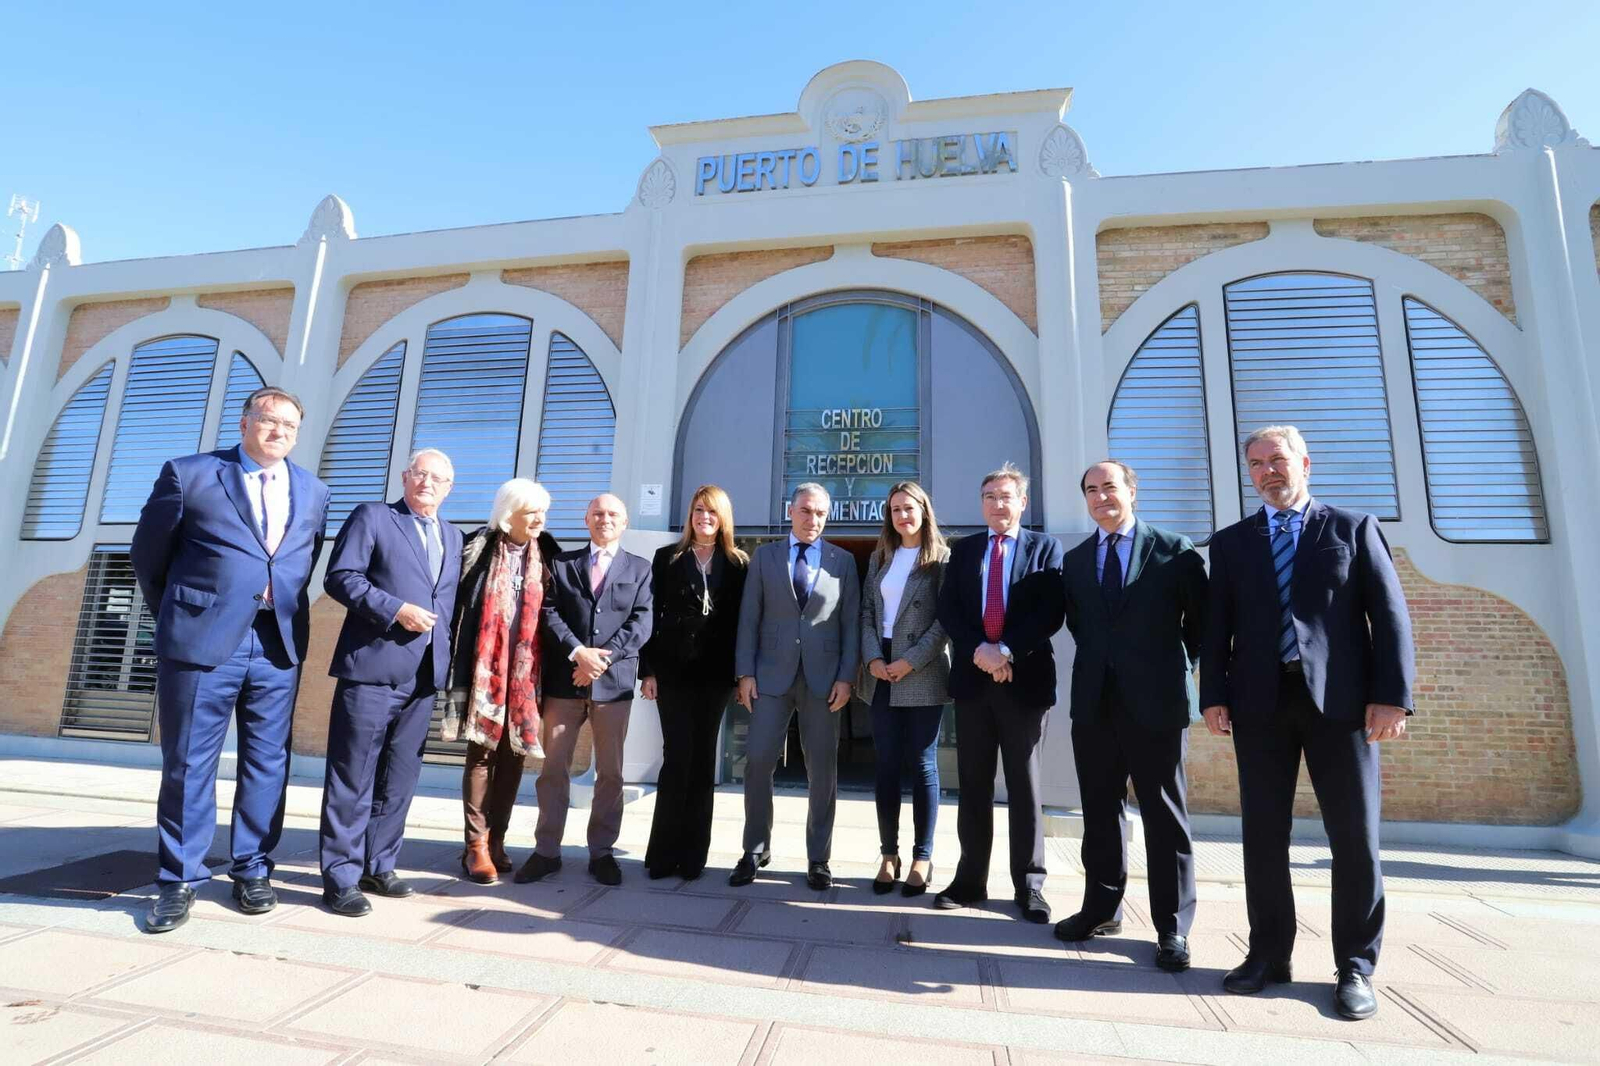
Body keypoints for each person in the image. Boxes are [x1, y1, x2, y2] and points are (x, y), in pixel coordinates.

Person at [1200, 425, 1415, 1021]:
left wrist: (1392, 697)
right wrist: (1212, 695)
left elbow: (1389, 615)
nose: (1267, 471)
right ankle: (1269, 954)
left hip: (1342, 706)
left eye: (1278, 459)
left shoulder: (1351, 528)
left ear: (1305, 463)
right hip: (1259, 705)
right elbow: (1218, 628)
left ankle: (1356, 966)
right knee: (1263, 835)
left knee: (1355, 837)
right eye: (1256, 464)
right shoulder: (1231, 543)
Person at [131, 387, 330, 933]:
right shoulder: (189, 474)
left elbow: (300, 562)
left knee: (268, 762)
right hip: (201, 642)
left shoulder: (314, 490)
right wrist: (181, 614)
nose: (279, 432)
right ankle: (179, 878)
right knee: (189, 762)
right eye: (269, 420)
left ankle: (253, 868)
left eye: (290, 425)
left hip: (276, 643)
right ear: (244, 423)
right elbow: (148, 556)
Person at [1054, 461, 1208, 972]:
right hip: (1094, 705)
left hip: (1157, 705)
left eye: (1110, 487)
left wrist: (1165, 669)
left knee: (1165, 816)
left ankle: (1172, 927)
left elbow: (1200, 627)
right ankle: (1101, 910)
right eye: (1091, 490)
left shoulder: (1174, 549)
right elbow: (1083, 627)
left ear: (1132, 491)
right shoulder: (1076, 560)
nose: (1101, 497)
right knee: (1100, 812)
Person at [319, 448, 464, 916]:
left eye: (438, 478)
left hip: (424, 677)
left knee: (399, 778)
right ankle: (340, 877)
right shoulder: (374, 517)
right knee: (353, 776)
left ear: (449, 488)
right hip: (372, 669)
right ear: (405, 477)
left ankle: (378, 865)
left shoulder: (454, 536)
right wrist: (395, 609)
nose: (428, 483)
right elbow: (340, 577)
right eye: (420, 474)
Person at [934, 463, 1065, 923]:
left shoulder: (1045, 547)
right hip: (974, 684)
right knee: (973, 785)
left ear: (1022, 502)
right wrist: (982, 652)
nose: (997, 504)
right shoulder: (964, 550)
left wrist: (1006, 650)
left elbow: (1050, 611)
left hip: (1025, 683)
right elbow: (949, 609)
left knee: (1025, 787)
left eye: (1005, 496)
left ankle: (1029, 885)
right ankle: (970, 880)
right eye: (989, 497)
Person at [517, 493, 653, 886]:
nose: (604, 519)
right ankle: (547, 851)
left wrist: (601, 661)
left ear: (624, 522)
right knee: (552, 770)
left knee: (610, 773)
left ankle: (602, 853)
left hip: (613, 686)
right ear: (586, 519)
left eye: (612, 514)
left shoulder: (640, 568)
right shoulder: (562, 564)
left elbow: (642, 622)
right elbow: (548, 613)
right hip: (565, 683)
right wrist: (579, 654)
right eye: (597, 513)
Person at [731, 482, 860, 891]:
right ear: (790, 511)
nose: (813, 519)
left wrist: (847, 677)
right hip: (770, 676)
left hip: (824, 680)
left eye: (820, 513)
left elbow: (851, 624)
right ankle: (755, 848)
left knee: (822, 769)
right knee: (757, 760)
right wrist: (745, 673)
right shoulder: (764, 556)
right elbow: (749, 617)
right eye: (806, 510)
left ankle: (819, 858)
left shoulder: (843, 561)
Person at [443, 478, 563, 884]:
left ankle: (497, 840)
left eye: (543, 511)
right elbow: (453, 604)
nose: (540, 519)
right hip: (483, 670)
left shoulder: (549, 554)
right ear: (509, 514)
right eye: (532, 512)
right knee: (480, 753)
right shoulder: (475, 549)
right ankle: (475, 846)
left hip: (527, 674)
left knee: (514, 755)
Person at [639, 485, 749, 880]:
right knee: (676, 758)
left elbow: (744, 622)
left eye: (712, 512)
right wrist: (647, 671)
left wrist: (742, 675)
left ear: (723, 519)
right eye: (699, 510)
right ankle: (662, 855)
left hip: (715, 676)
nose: (705, 517)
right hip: (673, 674)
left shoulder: (738, 563)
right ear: (690, 514)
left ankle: (693, 857)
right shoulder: (667, 558)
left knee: (702, 761)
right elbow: (649, 615)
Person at [858, 481, 951, 897]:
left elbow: (946, 620)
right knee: (886, 765)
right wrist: (872, 658)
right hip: (880, 669)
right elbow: (866, 612)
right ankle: (888, 854)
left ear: (923, 511)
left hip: (922, 669)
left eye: (908, 508)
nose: (902, 516)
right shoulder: (881, 556)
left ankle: (922, 857)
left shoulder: (942, 558)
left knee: (923, 765)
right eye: (895, 509)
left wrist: (910, 660)